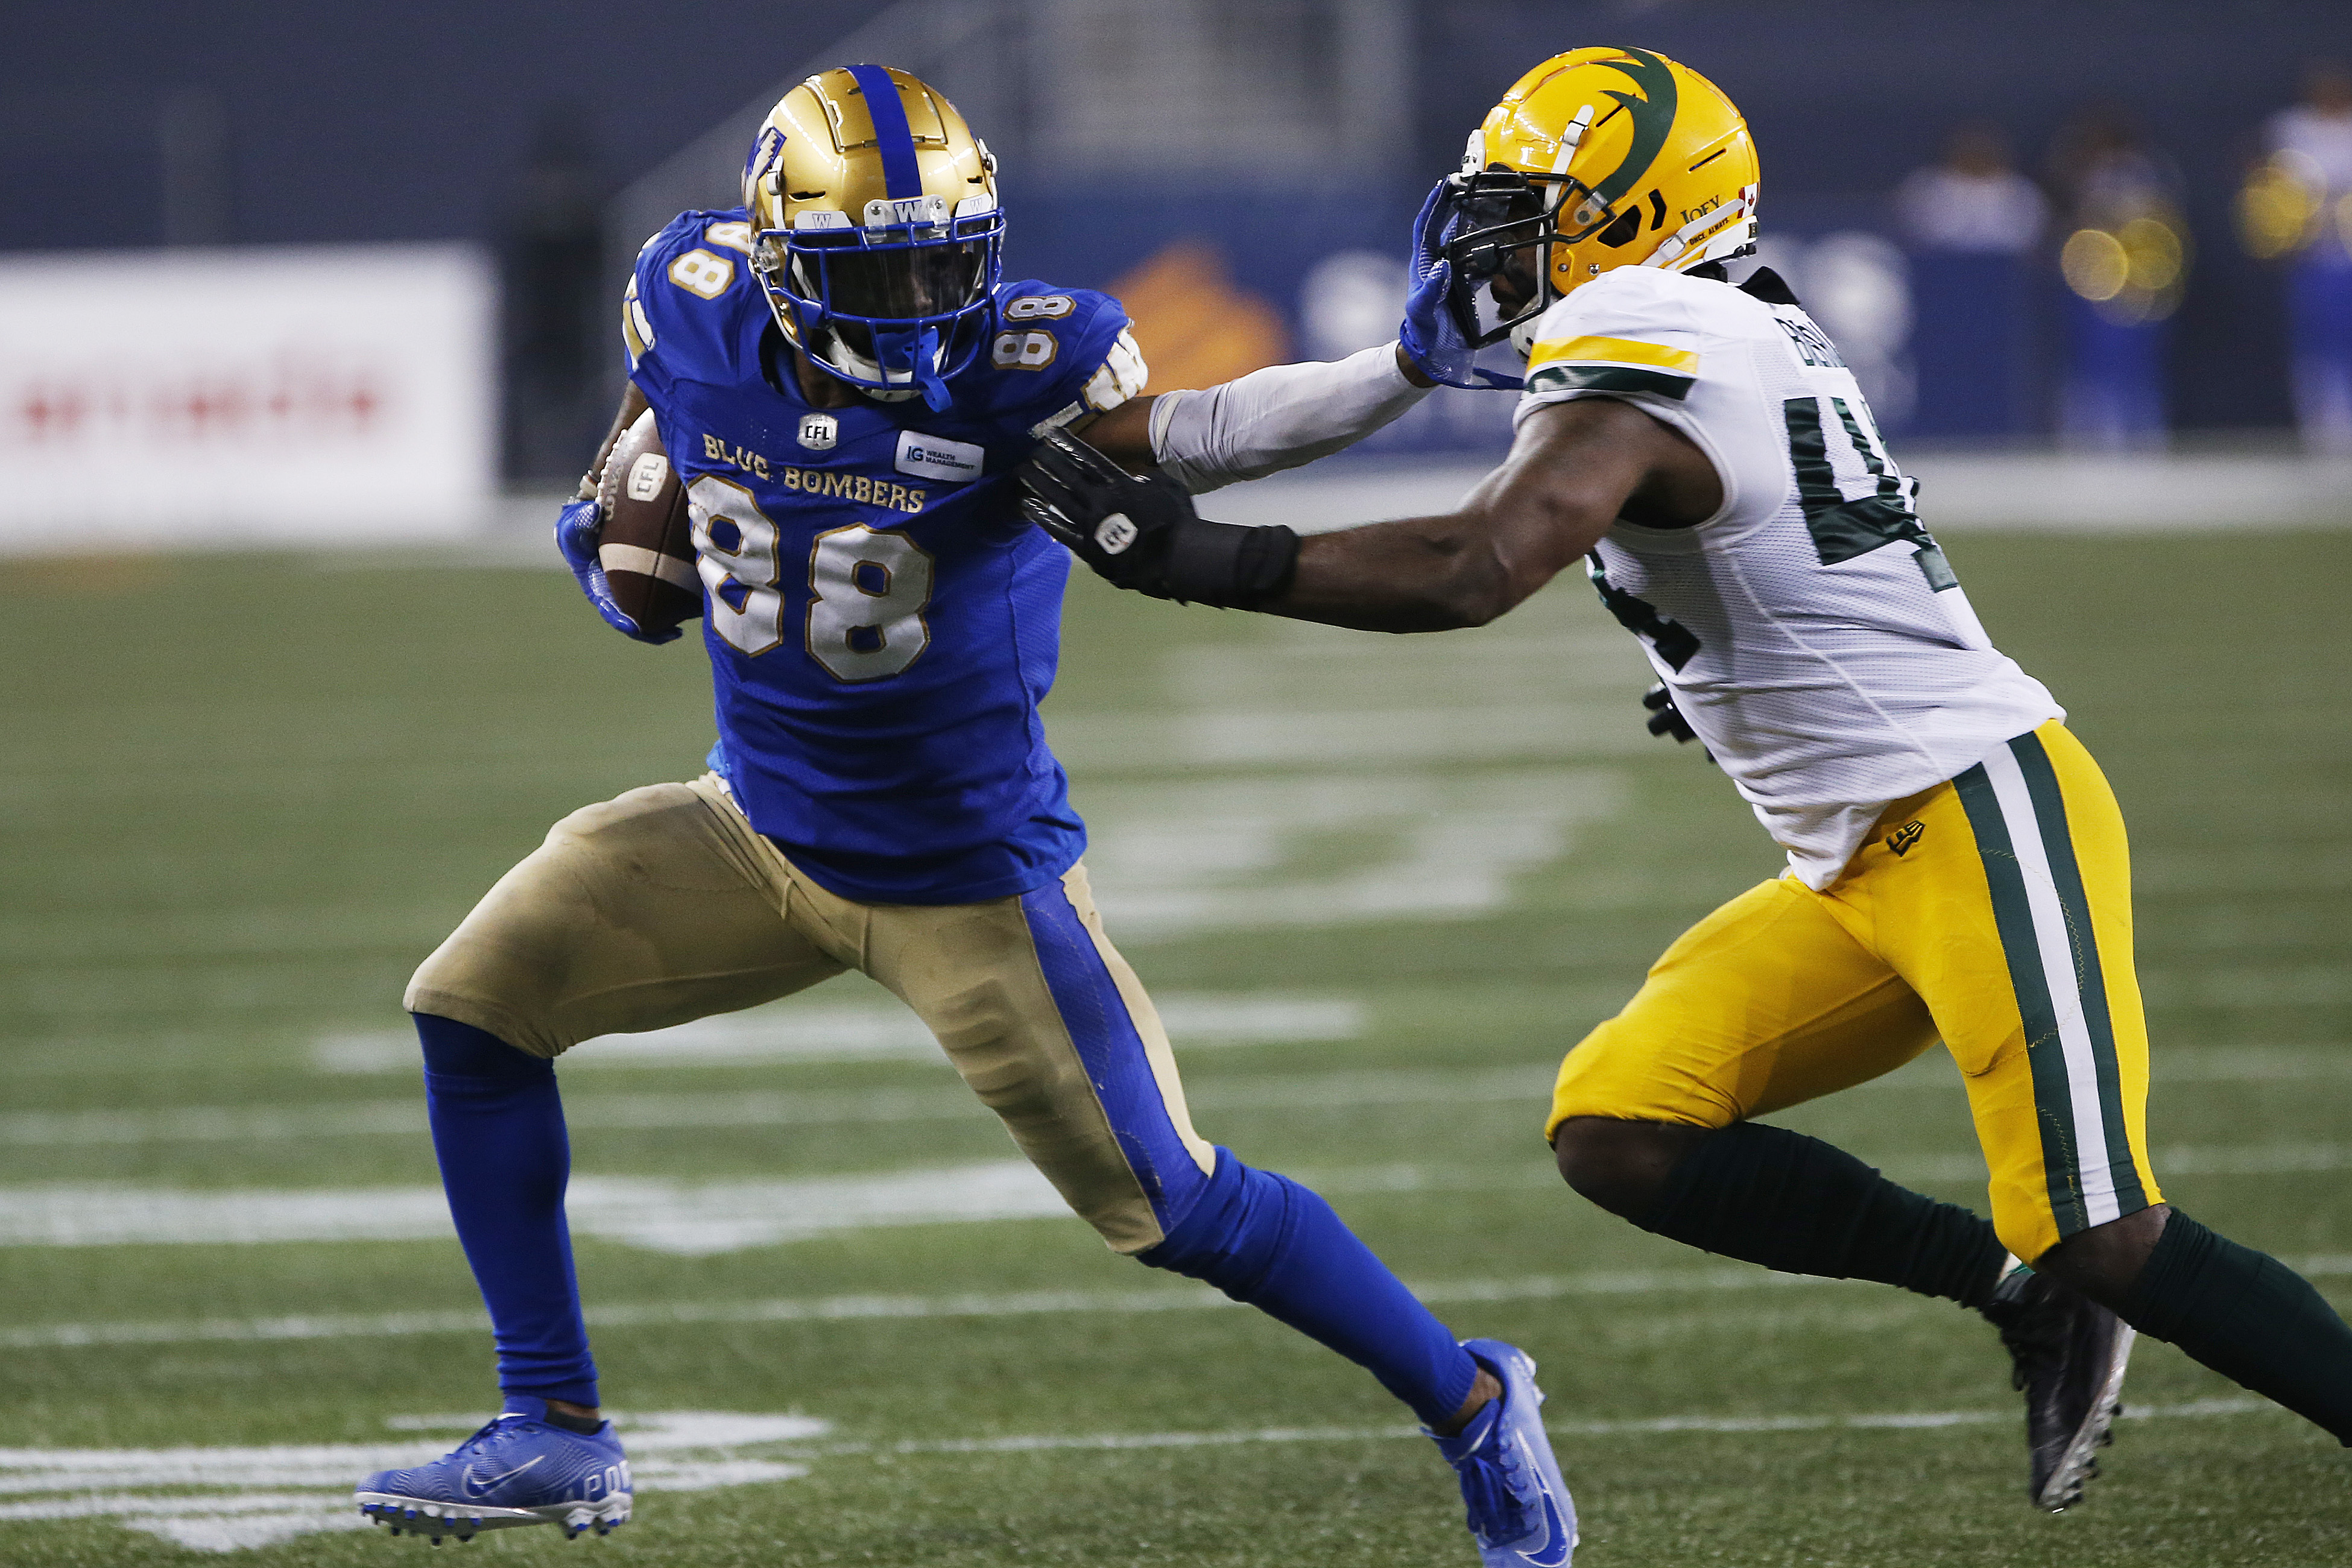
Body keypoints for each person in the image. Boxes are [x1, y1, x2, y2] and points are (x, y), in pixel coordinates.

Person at [1024, 43, 2352, 1514]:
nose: (1496, 241)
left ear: (1638, 215)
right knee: (1621, 1125)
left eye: (1531, 208)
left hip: (1975, 806)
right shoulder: (1728, 313)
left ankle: (2098, 1294)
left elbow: (1477, 565)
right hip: (1861, 855)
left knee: (2101, 1224)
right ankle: (2019, 1297)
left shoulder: (1649, 321)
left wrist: (1198, 559)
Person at [350, 63, 1578, 1568]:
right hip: (755, 829)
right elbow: (649, 454)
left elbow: (1217, 430)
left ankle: (1472, 1398)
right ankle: (551, 1421)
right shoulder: (690, 295)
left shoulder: (1027, 363)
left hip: (968, 881)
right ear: (780, 260)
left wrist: (1399, 367)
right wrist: (618, 528)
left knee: (1179, 1208)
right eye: (878, 275)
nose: (920, 306)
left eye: (945, 265)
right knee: (473, 1009)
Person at [2259, 61, 2352, 453]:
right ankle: (2321, 430)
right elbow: (2276, 188)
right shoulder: (2292, 127)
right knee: (2315, 347)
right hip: (2311, 256)